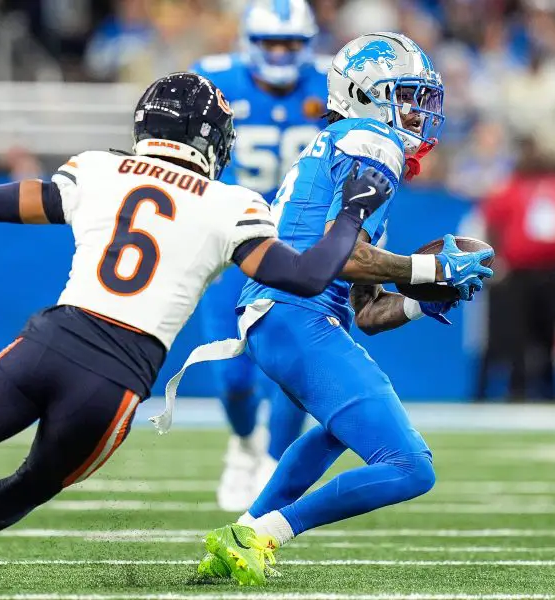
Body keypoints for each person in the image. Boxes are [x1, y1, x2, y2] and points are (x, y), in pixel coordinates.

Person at [0, 72, 393, 585]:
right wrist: (350, 214)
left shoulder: (98, 169)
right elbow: (309, 277)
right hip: (115, 380)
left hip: (50, 340)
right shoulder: (231, 203)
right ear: (210, 140)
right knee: (27, 485)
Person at [167, 33, 494, 586]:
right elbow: (340, 257)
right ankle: (263, 534)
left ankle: (240, 533)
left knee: (337, 431)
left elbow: (365, 311)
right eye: (406, 95)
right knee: (410, 467)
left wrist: (418, 302)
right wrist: (432, 272)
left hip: (286, 315)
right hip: (297, 314)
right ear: (366, 94)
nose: (419, 112)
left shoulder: (348, 144)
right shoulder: (374, 143)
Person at [192, 0, 329, 511]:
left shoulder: (332, 87)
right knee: (231, 372)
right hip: (232, 241)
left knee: (292, 365)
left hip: (299, 242)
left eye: (290, 44)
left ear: (306, 45)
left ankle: (273, 460)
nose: (279, 53)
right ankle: (245, 445)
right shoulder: (214, 79)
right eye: (270, 42)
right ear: (249, 42)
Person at [480, 137, 555, 401]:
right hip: (520, 273)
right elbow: (491, 222)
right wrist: (497, 259)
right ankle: (517, 390)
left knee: (548, 333)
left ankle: (549, 390)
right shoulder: (511, 189)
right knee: (517, 332)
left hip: (553, 271)